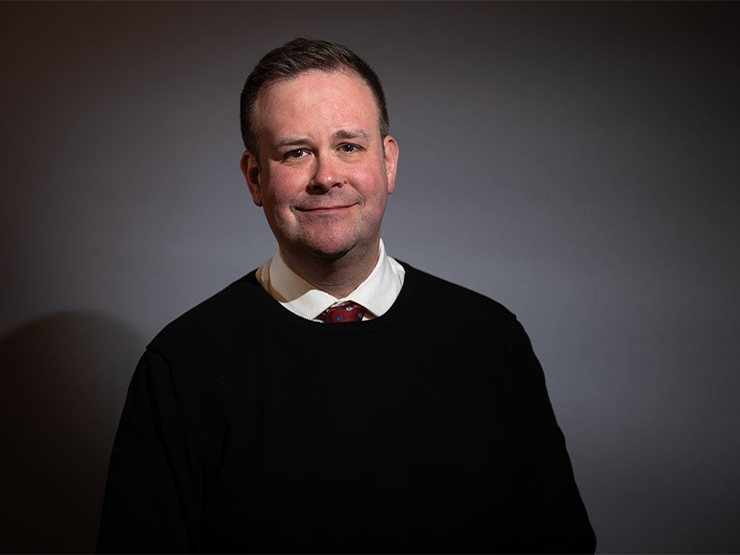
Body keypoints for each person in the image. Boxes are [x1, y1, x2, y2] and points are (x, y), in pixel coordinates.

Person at [96, 38, 596, 554]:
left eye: (348, 146)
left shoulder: (492, 341)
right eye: (296, 152)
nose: (326, 177)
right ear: (255, 178)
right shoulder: (182, 366)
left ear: (389, 162)